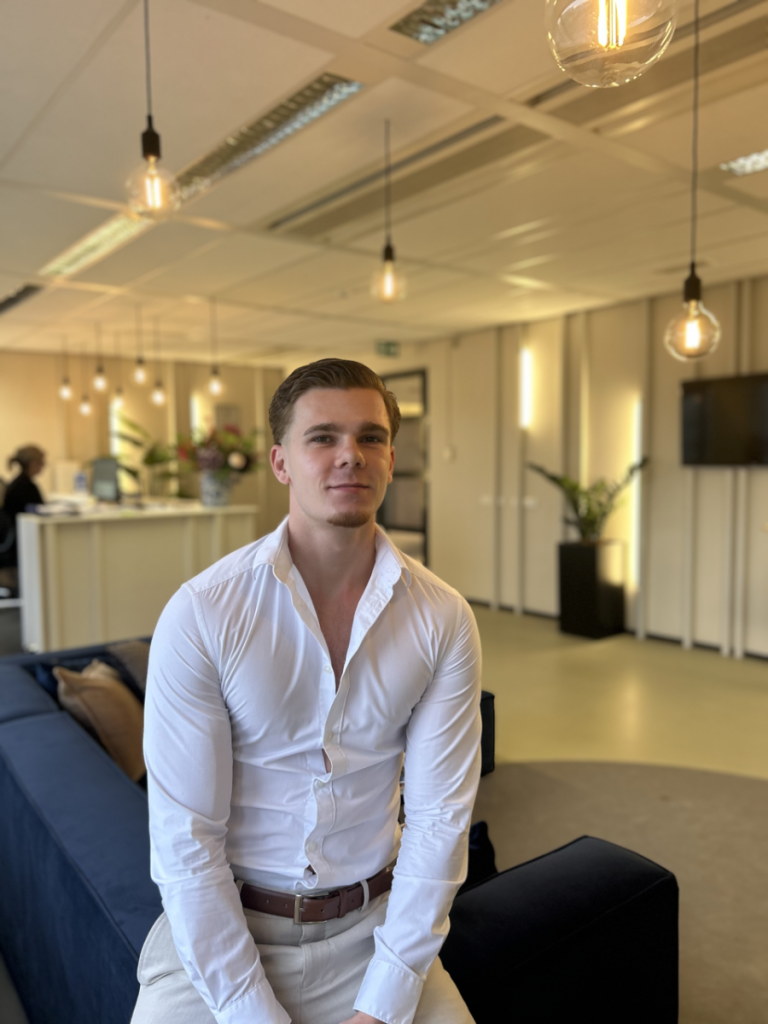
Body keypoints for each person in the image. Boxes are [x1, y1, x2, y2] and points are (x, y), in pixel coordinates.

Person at [132, 359, 482, 1024]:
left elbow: (440, 819)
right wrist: (250, 1011)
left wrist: (385, 1000)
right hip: (224, 936)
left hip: (373, 933)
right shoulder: (204, 612)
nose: (351, 455)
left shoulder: (443, 618)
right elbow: (185, 840)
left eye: (371, 437)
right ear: (281, 462)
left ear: (390, 458)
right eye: (323, 437)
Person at [0, 446, 46, 587]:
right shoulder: (26, 487)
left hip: (12, 544)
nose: (44, 466)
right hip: (19, 547)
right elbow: (42, 513)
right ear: (32, 463)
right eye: (41, 462)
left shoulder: (17, 484)